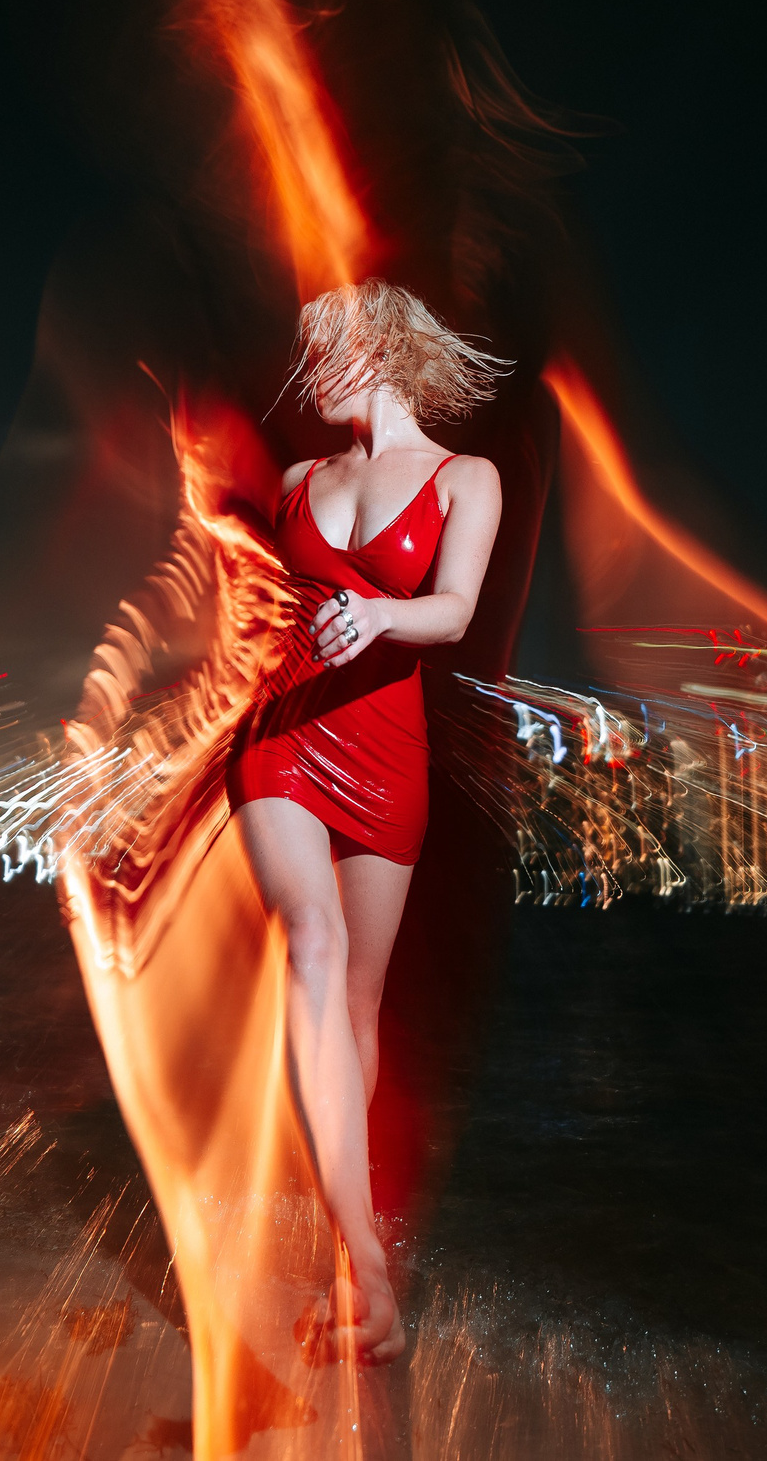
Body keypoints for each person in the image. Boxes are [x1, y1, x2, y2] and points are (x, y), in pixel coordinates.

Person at [225, 279, 507, 1365]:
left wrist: (383, 612)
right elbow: (255, 612)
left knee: (354, 1007)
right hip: (283, 736)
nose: (307, 375)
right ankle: (369, 1264)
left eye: (325, 351)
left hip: (387, 756)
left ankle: (351, 1255)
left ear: (381, 349)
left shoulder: (465, 478)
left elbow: (456, 609)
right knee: (312, 944)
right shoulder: (297, 481)